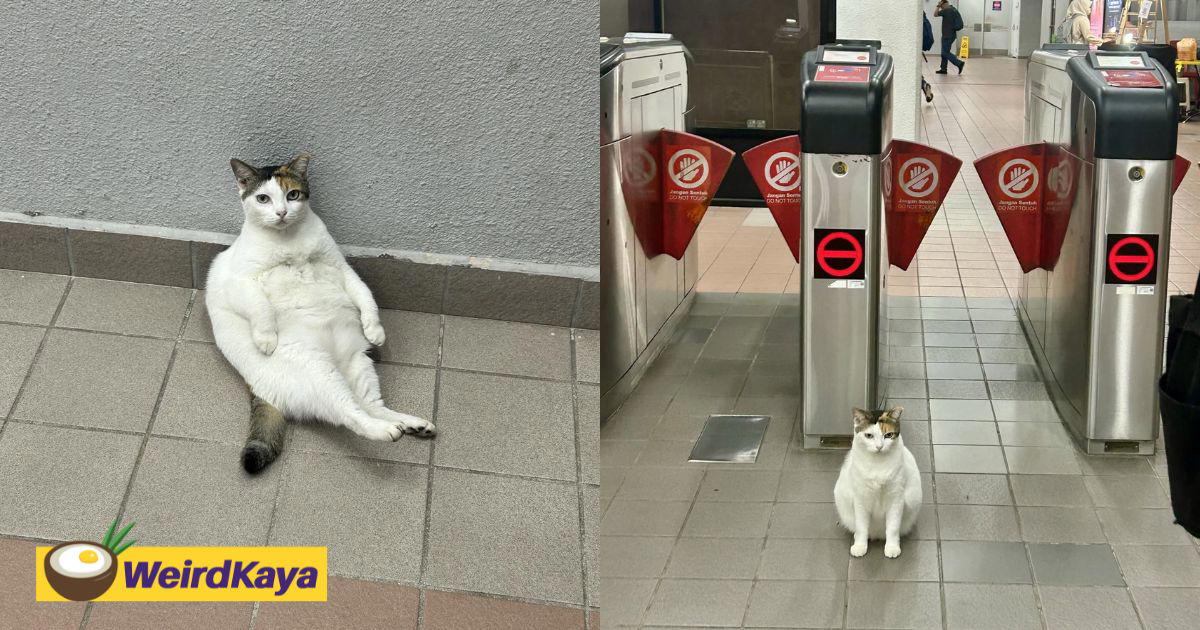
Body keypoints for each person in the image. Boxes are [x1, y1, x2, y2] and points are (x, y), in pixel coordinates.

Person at [934, 0, 965, 74]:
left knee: (945, 52)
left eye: (941, 6)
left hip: (947, 35)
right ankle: (943, 69)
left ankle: (959, 63)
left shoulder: (947, 10)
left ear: (944, 4)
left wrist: (938, 6)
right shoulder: (954, 10)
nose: (941, 8)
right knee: (944, 52)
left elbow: (935, 14)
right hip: (952, 35)